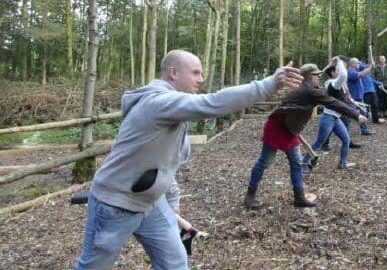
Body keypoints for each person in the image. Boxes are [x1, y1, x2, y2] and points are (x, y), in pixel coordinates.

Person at [75, 49, 303, 270]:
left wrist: (171, 206)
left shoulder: (175, 109)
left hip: (151, 204)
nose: (201, 79)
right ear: (173, 73)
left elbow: (165, 165)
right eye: (195, 73)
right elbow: (212, 103)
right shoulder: (159, 103)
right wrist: (268, 85)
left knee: (174, 263)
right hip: (116, 205)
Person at [243, 62, 367, 210]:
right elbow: (333, 103)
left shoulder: (303, 89)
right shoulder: (310, 91)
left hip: (289, 130)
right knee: (264, 162)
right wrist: (356, 115)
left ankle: (299, 198)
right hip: (277, 128)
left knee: (296, 163)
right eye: (316, 75)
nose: (318, 78)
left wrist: (295, 126)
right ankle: (250, 197)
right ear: (310, 76)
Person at [302, 57, 362, 170]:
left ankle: (342, 163)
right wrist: (339, 60)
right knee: (318, 144)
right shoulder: (333, 84)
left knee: (346, 140)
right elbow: (344, 76)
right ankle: (304, 161)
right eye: (337, 71)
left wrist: (353, 104)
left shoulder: (336, 84)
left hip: (336, 119)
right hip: (328, 118)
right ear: (333, 73)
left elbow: (343, 98)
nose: (340, 72)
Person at [348, 58, 374, 135]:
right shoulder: (350, 71)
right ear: (352, 64)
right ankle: (344, 130)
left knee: (363, 113)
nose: (359, 64)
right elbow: (362, 74)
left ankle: (364, 130)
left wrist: (370, 64)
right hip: (353, 99)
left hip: (359, 98)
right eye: (357, 63)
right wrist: (370, 67)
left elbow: (365, 68)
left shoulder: (355, 70)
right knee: (349, 115)